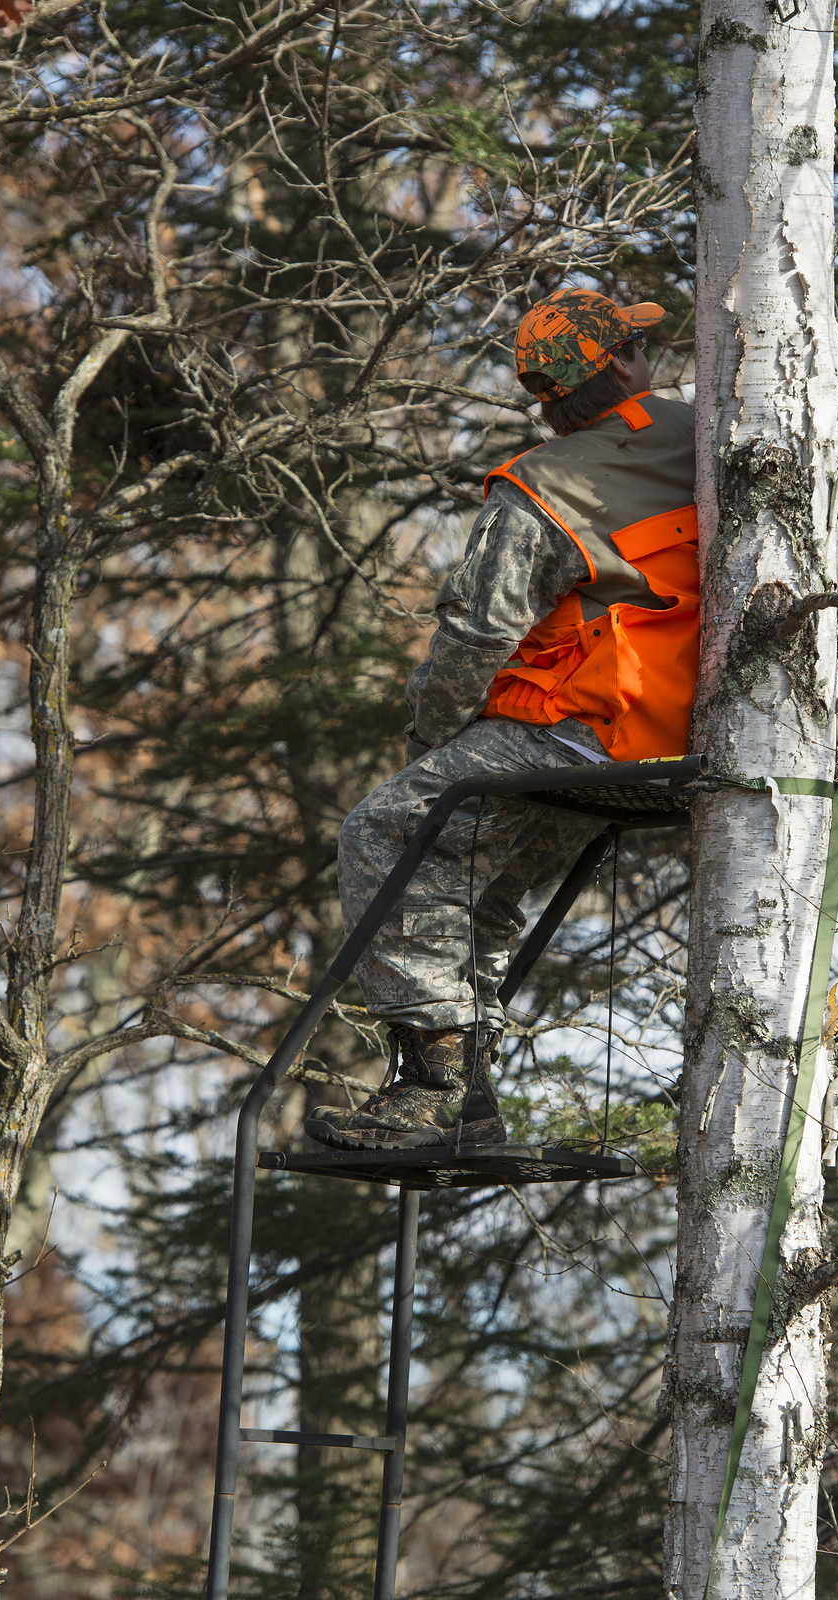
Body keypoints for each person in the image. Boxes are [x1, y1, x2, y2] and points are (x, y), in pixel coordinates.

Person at [305, 288, 698, 1151]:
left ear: (547, 399)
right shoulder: (710, 439)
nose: (646, 355)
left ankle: (434, 1090)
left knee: (382, 828)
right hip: (673, 750)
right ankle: (468, 1109)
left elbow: (475, 637)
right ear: (624, 365)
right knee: (473, 887)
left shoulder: (541, 487)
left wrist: (430, 743)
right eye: (637, 344)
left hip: (581, 733)